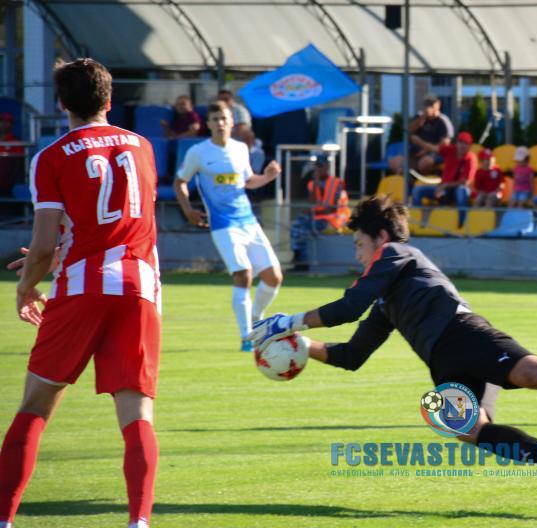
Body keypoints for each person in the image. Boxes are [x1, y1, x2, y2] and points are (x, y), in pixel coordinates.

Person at [249, 196, 537, 472]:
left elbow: (348, 307)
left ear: (379, 238)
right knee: (467, 428)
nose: (358, 254)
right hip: (445, 364)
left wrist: (287, 322)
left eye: (359, 244)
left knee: (534, 373)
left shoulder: (397, 252)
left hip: (465, 335)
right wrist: (304, 346)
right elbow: (352, 355)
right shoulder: (385, 299)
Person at [0, 58, 161, 528]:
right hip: (140, 288)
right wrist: (57, 253)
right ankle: (138, 521)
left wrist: (27, 285)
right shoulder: (144, 147)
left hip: (81, 287)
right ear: (110, 99)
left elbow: (45, 244)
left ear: (61, 103)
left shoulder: (51, 157)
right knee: (137, 412)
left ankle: (4, 518)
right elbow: (119, 223)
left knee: (36, 405)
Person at [174, 102, 283, 352]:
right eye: (215, 119)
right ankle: (247, 337)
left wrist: (268, 176)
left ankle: (255, 318)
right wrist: (188, 210)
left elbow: (248, 181)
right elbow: (180, 181)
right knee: (243, 274)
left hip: (248, 220)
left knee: (274, 277)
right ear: (208, 124)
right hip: (223, 224)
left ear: (232, 121)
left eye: (224, 118)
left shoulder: (240, 149)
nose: (220, 123)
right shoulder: (198, 152)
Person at [290, 154, 350, 271]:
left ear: (327, 166)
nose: (319, 169)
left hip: (332, 219)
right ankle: (298, 257)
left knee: (303, 229)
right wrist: (315, 184)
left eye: (321, 166)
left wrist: (316, 211)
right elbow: (311, 203)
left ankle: (301, 262)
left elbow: (333, 208)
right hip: (317, 217)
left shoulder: (336, 182)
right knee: (297, 225)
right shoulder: (312, 183)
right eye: (317, 166)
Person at [388, 93, 454, 175]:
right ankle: (408, 176)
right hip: (414, 152)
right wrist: (422, 118)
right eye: (426, 104)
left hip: (432, 154)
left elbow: (444, 146)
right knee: (394, 162)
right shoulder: (420, 117)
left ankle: (419, 176)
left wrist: (423, 146)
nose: (428, 107)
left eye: (431, 104)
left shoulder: (443, 121)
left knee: (424, 163)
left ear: (438, 104)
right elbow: (409, 131)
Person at [411, 131, 476, 211]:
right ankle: (418, 217)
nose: (462, 145)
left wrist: (445, 185)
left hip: (456, 189)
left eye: (465, 143)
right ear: (457, 143)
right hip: (444, 188)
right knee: (417, 190)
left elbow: (465, 182)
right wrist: (419, 142)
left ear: (469, 146)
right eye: (460, 142)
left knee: (461, 191)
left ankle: (463, 218)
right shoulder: (450, 150)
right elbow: (433, 148)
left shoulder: (471, 159)